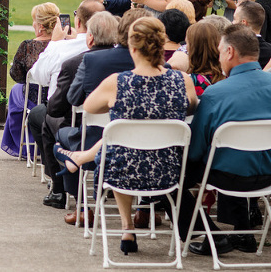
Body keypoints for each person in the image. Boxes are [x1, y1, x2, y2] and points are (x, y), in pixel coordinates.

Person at [55, 17, 197, 256]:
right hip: (169, 171)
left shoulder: (117, 83)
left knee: (120, 148)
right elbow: (191, 107)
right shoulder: (182, 80)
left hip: (122, 172)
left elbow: (88, 107)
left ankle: (127, 227)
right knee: (122, 144)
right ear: (163, 45)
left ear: (131, 48)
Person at [176, 25, 271, 257]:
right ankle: (243, 233)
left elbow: (196, 149)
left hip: (228, 176)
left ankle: (208, 233)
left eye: (219, 52)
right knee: (232, 155)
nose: (218, 58)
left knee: (167, 174)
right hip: (268, 175)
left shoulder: (216, 93)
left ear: (229, 52)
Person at [30, 11, 118, 212]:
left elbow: (57, 107)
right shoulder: (132, 62)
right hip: (124, 135)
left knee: (48, 120)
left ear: (90, 37)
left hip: (86, 133)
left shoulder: (75, 63)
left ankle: (60, 191)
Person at [0, 2, 59, 155]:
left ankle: (22, 145)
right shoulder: (66, 45)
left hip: (35, 98)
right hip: (58, 97)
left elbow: (17, 76)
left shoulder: (27, 46)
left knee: (16, 90)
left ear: (40, 26)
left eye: (34, 21)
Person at [168, 21, 224, 95]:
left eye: (187, 43)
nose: (185, 47)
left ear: (193, 48)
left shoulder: (188, 81)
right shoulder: (227, 75)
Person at [232, 0, 271, 67]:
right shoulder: (269, 51)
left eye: (234, 19)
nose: (232, 22)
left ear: (243, 23)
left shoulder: (234, 51)